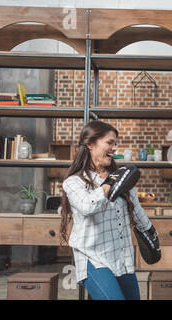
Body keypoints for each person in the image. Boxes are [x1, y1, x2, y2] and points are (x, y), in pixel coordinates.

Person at [59, 120, 153, 300]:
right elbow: (87, 206)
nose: (114, 148)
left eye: (115, 143)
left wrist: (151, 234)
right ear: (90, 144)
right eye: (110, 143)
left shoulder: (120, 178)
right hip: (93, 258)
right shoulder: (73, 182)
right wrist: (110, 183)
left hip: (122, 256)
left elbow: (137, 211)